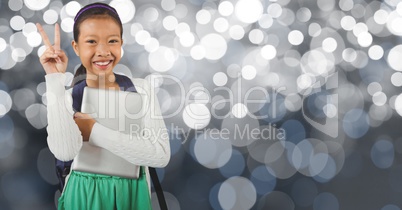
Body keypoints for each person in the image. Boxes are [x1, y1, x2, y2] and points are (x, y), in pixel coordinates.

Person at [36, 2, 170, 209]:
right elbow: (64, 153)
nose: (103, 51)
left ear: (121, 44)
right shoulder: (68, 97)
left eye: (112, 41)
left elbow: (160, 155)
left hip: (132, 195)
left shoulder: (141, 90)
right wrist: (54, 78)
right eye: (91, 41)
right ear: (76, 47)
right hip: (83, 196)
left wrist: (94, 131)